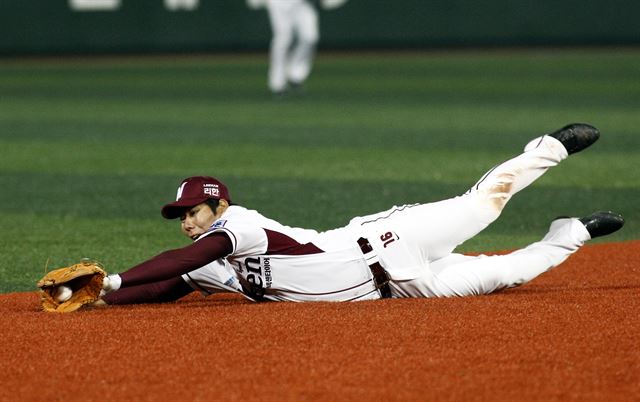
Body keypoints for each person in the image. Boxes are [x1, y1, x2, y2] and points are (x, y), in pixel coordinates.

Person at [99, 123, 624, 305]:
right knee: (504, 272)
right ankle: (574, 232)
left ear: (220, 205)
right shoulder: (207, 266)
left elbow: (188, 255)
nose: (188, 221)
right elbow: (169, 283)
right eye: (181, 215)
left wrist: (117, 278)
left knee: (482, 205)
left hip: (389, 240)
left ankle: (550, 148)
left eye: (194, 211)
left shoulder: (238, 227)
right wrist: (102, 294)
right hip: (399, 288)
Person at [246, 0, 348, 95]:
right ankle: (277, 84)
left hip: (300, 4)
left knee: (310, 37)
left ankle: (296, 74)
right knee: (283, 40)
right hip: (278, 4)